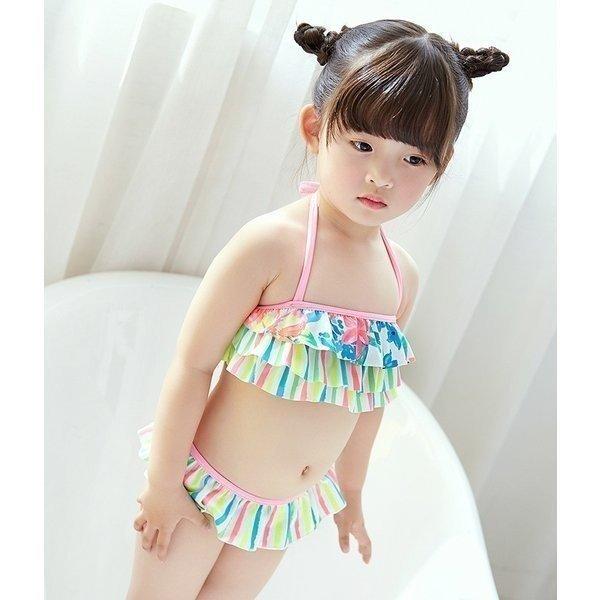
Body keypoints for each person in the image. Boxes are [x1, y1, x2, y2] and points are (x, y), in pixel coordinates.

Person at [126, 18, 509, 600]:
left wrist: (350, 493)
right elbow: (192, 365)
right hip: (201, 489)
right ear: (315, 128)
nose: (382, 176)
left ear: (442, 165)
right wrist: (162, 484)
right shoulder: (273, 245)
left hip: (281, 512)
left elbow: (368, 398)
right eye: (363, 145)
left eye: (413, 160)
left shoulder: (399, 276)